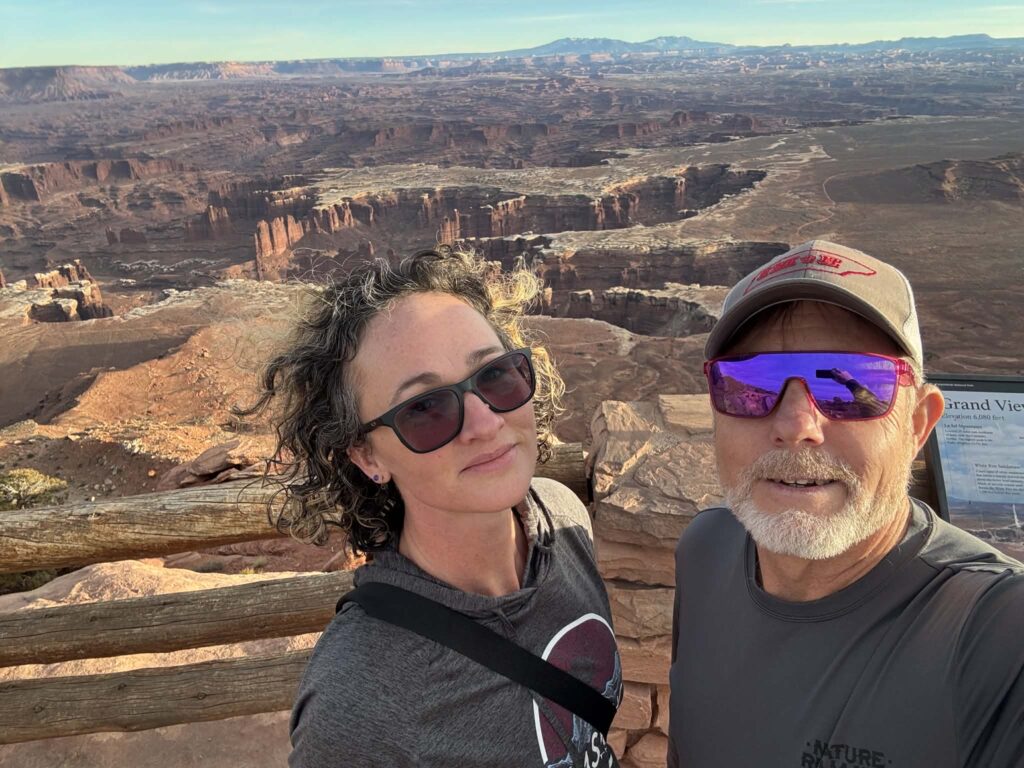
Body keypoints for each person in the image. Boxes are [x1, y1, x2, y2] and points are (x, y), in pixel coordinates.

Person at [242, 248, 622, 768]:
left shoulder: (567, 524)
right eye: (424, 407)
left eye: (495, 374)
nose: (485, 422)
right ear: (366, 455)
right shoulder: (359, 700)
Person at [669, 240, 1024, 767]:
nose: (795, 427)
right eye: (749, 383)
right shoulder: (706, 549)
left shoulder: (996, 634)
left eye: (856, 386)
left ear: (918, 423)